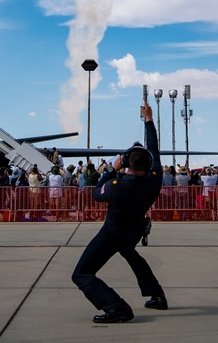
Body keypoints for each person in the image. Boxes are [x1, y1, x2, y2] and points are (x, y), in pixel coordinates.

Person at [71, 103, 167, 323]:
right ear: (149, 163)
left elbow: (96, 194)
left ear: (125, 163)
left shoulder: (116, 185)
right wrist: (149, 119)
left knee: (81, 274)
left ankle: (116, 307)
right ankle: (157, 295)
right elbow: (154, 146)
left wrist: (111, 170)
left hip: (112, 233)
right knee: (130, 252)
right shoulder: (154, 178)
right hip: (133, 232)